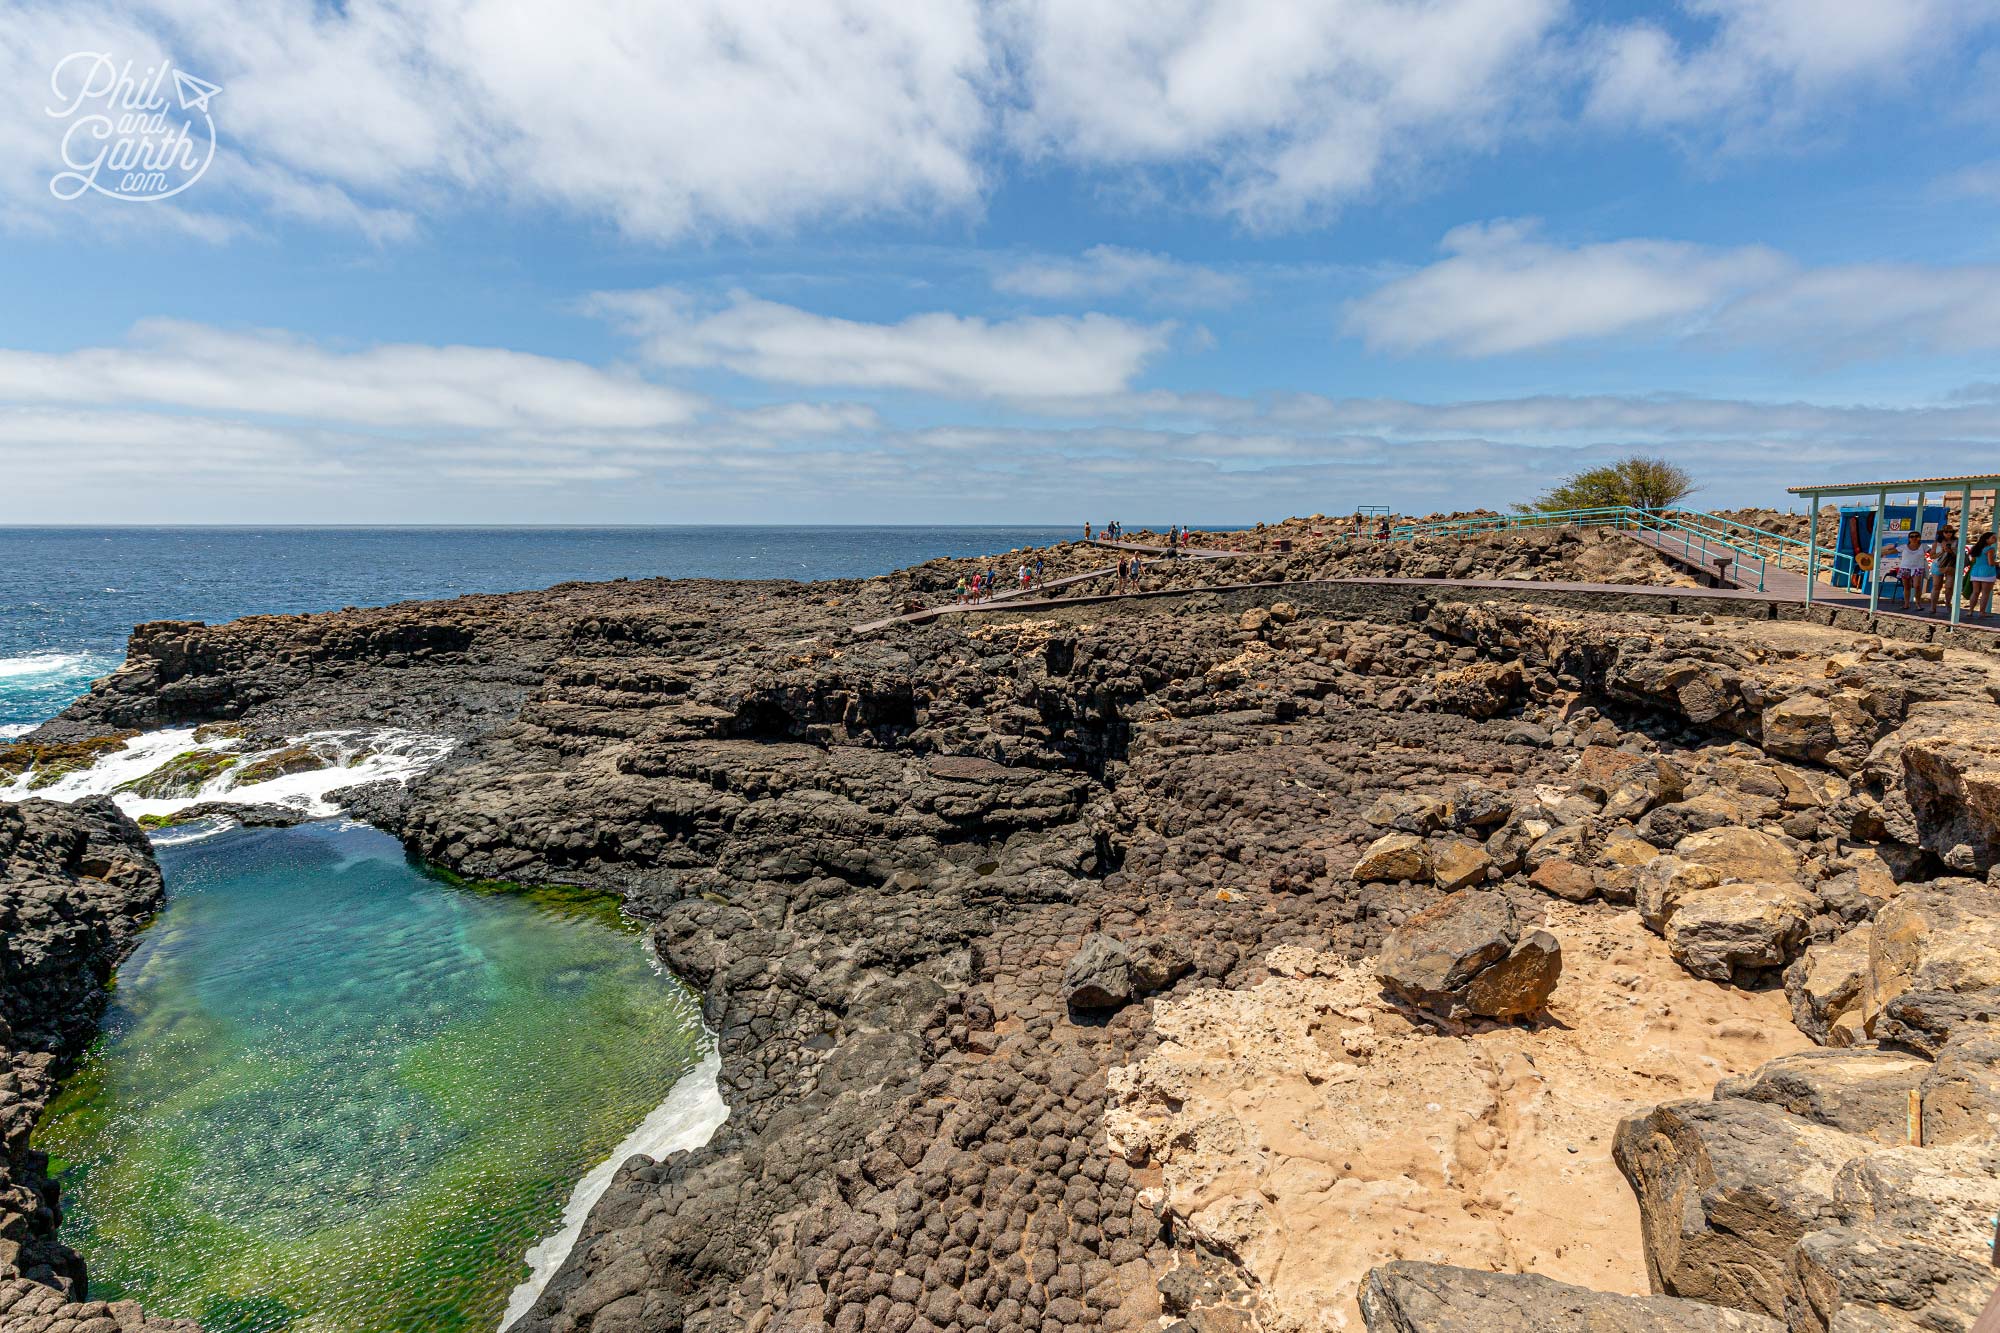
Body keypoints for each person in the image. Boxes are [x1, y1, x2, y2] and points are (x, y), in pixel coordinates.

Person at [1966, 532, 1997, 620]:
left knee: (1975, 592)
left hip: (1976, 571)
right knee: (1985, 593)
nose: (1995, 539)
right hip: (1987, 572)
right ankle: (1982, 612)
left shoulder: (1977, 548)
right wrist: (1997, 563)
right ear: (1986, 539)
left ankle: (1970, 611)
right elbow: (1991, 563)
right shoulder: (1990, 549)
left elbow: (1973, 560)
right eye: (1993, 538)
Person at [1930, 524, 1959, 614]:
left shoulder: (1956, 541)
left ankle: (1948, 604)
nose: (1948, 534)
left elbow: (1959, 554)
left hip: (1951, 564)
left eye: (1951, 532)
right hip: (1938, 564)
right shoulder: (1936, 543)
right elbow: (1932, 556)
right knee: (1936, 586)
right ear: (1942, 533)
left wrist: (1950, 551)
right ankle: (1933, 607)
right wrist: (1942, 552)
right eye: (1946, 532)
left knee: (1949, 587)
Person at [1894, 534, 1929, 608]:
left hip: (1918, 568)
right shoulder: (1904, 547)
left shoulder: (1923, 546)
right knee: (1907, 586)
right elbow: (1892, 551)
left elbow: (1932, 553)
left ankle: (1918, 603)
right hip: (1905, 568)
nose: (1914, 538)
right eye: (1912, 536)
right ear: (1909, 538)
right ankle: (1906, 604)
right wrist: (1880, 553)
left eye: (1916, 536)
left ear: (1919, 538)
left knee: (1917, 586)